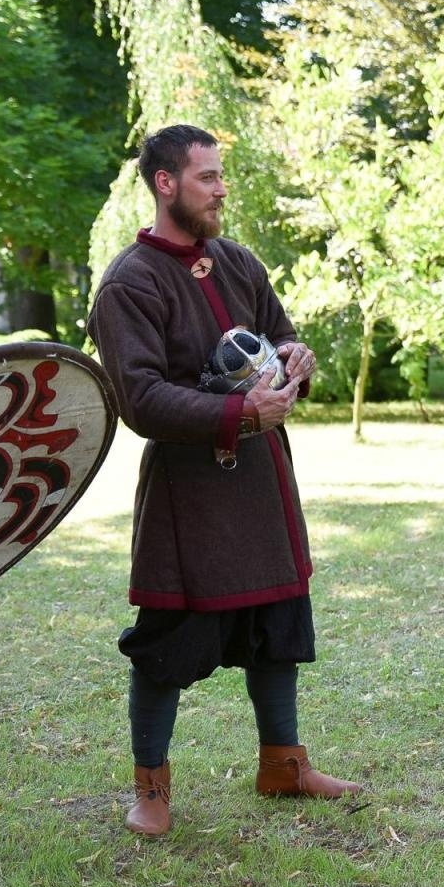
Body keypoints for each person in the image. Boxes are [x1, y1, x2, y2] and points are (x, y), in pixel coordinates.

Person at [88, 124, 361, 838]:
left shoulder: (237, 262)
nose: (221, 189)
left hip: (262, 483)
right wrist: (239, 412)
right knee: (169, 641)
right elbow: (140, 399)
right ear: (165, 184)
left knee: (277, 623)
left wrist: (296, 359)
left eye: (220, 175)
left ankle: (283, 765)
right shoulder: (129, 283)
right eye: (207, 177)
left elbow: (278, 336)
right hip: (191, 494)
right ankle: (151, 786)